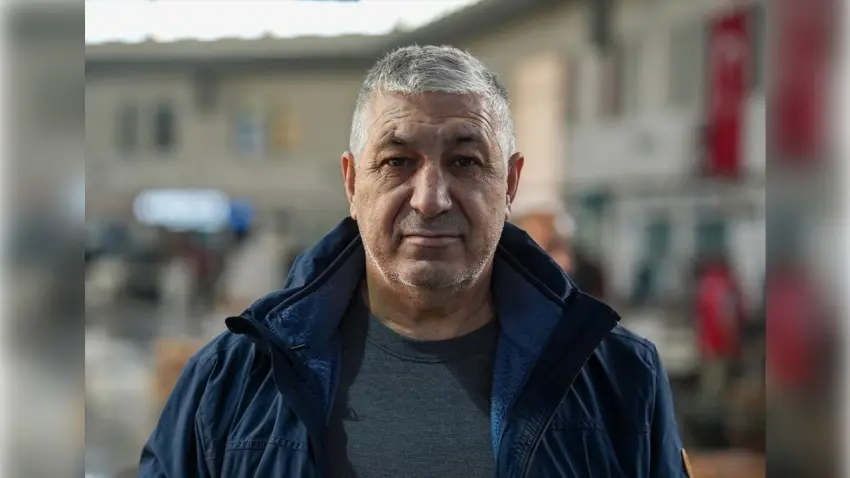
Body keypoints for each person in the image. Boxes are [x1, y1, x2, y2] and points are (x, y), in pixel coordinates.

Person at [140, 45, 686, 477]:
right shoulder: (230, 382)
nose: (430, 199)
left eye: (465, 161)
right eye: (397, 161)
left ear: (510, 183)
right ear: (352, 184)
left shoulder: (619, 380)